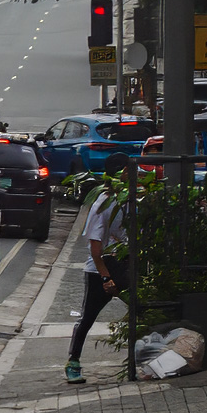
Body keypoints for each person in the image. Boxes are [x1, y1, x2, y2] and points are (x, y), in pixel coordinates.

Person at [66, 154, 133, 385]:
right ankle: (73, 362)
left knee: (142, 307)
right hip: (101, 268)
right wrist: (106, 278)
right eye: (127, 170)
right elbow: (96, 249)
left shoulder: (129, 199)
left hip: (125, 263)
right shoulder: (102, 203)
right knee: (88, 317)